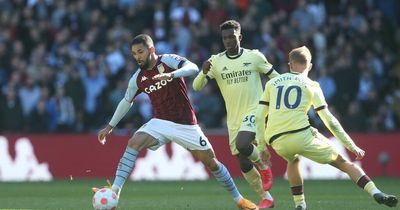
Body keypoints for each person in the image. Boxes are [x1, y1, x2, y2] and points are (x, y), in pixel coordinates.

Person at [92, 34, 259, 210]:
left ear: (151, 50)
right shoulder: (138, 78)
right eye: (134, 54)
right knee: (134, 142)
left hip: (186, 124)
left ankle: (239, 199)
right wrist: (110, 126)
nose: (137, 57)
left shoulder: (167, 61)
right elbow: (127, 101)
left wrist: (172, 75)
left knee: (212, 163)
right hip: (160, 122)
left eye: (140, 52)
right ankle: (115, 191)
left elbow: (193, 68)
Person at [255, 46, 398, 210]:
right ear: (310, 66)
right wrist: (351, 146)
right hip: (301, 135)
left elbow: (259, 116)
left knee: (292, 159)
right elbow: (329, 120)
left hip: (276, 140)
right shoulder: (312, 84)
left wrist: (261, 147)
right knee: (343, 162)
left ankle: (300, 204)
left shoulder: (272, 83)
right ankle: (375, 192)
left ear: (290, 65)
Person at [193, 20, 278, 209]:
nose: (228, 41)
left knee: (243, 143)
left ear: (240, 37)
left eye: (232, 37)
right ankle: (267, 198)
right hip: (233, 118)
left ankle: (264, 166)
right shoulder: (216, 61)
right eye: (225, 38)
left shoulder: (254, 57)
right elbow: (197, 87)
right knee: (243, 162)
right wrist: (203, 71)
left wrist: (278, 98)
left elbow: (276, 78)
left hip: (255, 111)